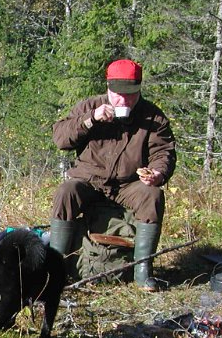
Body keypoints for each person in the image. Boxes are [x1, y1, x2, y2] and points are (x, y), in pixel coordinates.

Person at [48, 58, 176, 291]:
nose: (123, 100)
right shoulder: (90, 107)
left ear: (139, 90)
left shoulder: (153, 117)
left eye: (130, 95)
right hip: (89, 181)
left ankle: (142, 272)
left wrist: (157, 173)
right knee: (66, 191)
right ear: (108, 88)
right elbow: (61, 139)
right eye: (118, 95)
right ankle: (55, 269)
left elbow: (163, 152)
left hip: (128, 185)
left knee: (152, 195)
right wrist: (90, 120)